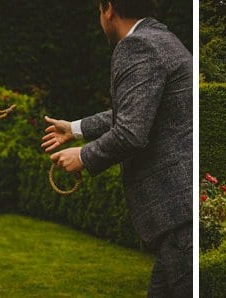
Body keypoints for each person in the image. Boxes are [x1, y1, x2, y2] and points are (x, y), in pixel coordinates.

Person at [40, 1, 191, 296]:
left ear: (108, 8)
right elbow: (139, 112)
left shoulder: (137, 46)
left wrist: (83, 156)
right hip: (181, 215)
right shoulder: (164, 39)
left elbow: (131, 132)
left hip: (176, 214)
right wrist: (74, 129)